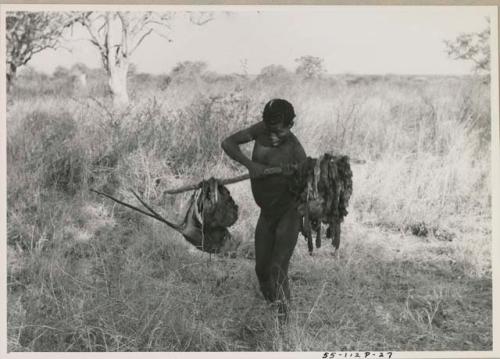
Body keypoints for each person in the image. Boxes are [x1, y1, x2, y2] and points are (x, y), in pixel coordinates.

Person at [221, 99, 307, 318]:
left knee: (278, 270)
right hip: (267, 214)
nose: (273, 136)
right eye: (270, 129)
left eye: (279, 131)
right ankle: (275, 308)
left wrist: (295, 175)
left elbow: (308, 191)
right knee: (262, 270)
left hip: (289, 213)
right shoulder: (260, 130)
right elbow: (228, 143)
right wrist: (251, 165)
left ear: (290, 125)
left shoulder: (296, 151)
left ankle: (285, 322)